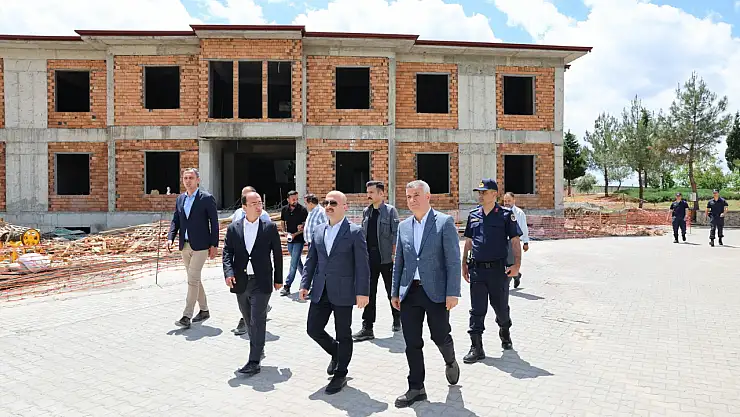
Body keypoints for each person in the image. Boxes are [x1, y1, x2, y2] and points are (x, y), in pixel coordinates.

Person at [391, 180, 461, 408]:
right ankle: (416, 387)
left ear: (428, 197)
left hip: (437, 292)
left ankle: (450, 360)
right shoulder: (403, 226)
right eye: (408, 196)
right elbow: (399, 262)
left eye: (416, 195)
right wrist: (395, 292)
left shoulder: (444, 222)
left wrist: (453, 292)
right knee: (412, 341)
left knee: (439, 335)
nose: (412, 200)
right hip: (410, 292)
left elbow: (453, 260)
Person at [299, 191, 370, 395]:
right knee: (313, 329)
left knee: (343, 333)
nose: (328, 206)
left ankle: (341, 373)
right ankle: (337, 352)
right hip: (321, 290)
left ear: (344, 207)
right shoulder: (319, 230)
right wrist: (304, 284)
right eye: (326, 202)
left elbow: (362, 265)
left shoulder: (355, 232)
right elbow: (311, 260)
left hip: (344, 291)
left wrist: (363, 292)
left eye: (333, 203)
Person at [462, 179, 522, 364]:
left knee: (501, 308)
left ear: (494, 194)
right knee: (477, 310)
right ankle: (476, 347)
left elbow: (515, 241)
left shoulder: (505, 215)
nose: (480, 195)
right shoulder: (473, 215)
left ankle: (505, 330)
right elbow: (469, 242)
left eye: (484, 192)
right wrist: (463, 264)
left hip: (498, 271)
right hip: (477, 270)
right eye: (479, 192)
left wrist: (517, 265)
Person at [222, 192, 283, 376]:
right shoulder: (234, 228)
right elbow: (227, 253)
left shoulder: (269, 227)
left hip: (261, 281)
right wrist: (228, 273)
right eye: (254, 203)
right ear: (244, 207)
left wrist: (278, 279)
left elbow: (277, 254)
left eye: (260, 203)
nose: (258, 206)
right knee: (248, 319)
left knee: (257, 319)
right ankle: (259, 347)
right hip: (241, 281)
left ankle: (254, 361)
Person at [167, 168, 219, 329]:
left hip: (201, 246)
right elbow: (176, 220)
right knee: (194, 279)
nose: (188, 181)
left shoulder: (206, 198)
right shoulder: (180, 199)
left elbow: (214, 223)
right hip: (185, 245)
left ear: (198, 180)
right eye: (185, 178)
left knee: (192, 279)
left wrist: (214, 244)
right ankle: (204, 310)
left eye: (191, 178)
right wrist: (170, 238)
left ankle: (186, 315)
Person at [354, 180, 401, 341]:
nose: (368, 195)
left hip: (387, 259)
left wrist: (395, 255)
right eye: (368, 192)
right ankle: (367, 327)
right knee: (369, 294)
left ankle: (398, 318)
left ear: (381, 193)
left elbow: (396, 235)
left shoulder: (390, 211)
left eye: (371, 192)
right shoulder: (366, 212)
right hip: (369, 260)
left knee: (391, 292)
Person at [231, 185, 273, 336]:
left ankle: (248, 322)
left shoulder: (264, 216)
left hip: (258, 269)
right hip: (241, 266)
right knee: (243, 298)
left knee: (255, 300)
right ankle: (250, 316)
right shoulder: (237, 214)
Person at [280, 190, 308, 296]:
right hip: (289, 239)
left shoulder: (302, 210)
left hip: (299, 239)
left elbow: (305, 226)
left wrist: (295, 234)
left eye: (296, 199)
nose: (295, 201)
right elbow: (282, 222)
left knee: (293, 263)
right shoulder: (284, 210)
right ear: (288, 200)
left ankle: (287, 286)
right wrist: (284, 232)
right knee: (297, 262)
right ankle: (307, 281)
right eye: (293, 199)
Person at [502, 192, 529, 289]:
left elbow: (524, 228)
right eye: (505, 201)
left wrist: (525, 242)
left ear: (514, 200)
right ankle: (517, 275)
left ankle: (505, 285)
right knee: (503, 262)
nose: (507, 203)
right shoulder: (501, 211)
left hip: (512, 241)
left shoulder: (519, 213)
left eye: (509, 201)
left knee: (510, 263)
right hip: (502, 241)